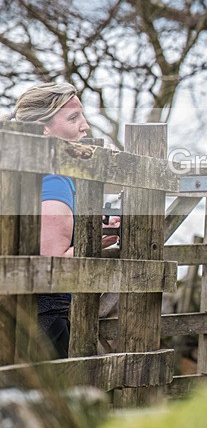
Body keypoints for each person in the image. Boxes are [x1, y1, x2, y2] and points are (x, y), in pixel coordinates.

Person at [6, 82, 119, 357]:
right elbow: (52, 262)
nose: (85, 126)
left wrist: (92, 231)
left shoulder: (19, 170)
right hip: (45, 319)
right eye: (73, 118)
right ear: (44, 128)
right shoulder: (53, 178)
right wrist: (94, 241)